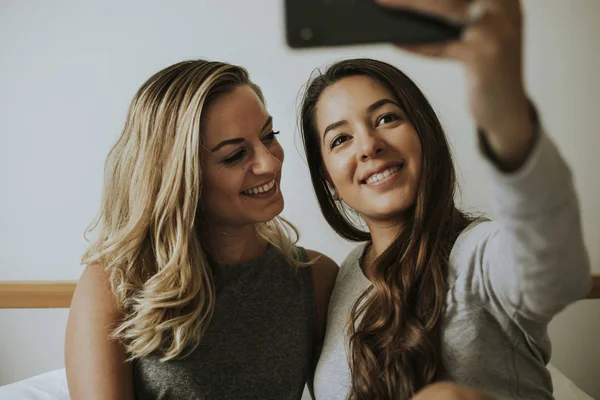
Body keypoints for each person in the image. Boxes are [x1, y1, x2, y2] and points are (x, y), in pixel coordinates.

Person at [299, 0, 591, 399]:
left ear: (424, 135)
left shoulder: (477, 256)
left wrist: (507, 118)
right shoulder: (343, 275)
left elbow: (557, 274)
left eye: (387, 118)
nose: (368, 145)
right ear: (328, 180)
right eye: (341, 139)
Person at [65, 60, 338, 400]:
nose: (270, 163)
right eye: (235, 155)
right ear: (179, 176)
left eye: (269, 136)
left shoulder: (316, 279)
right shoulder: (114, 285)